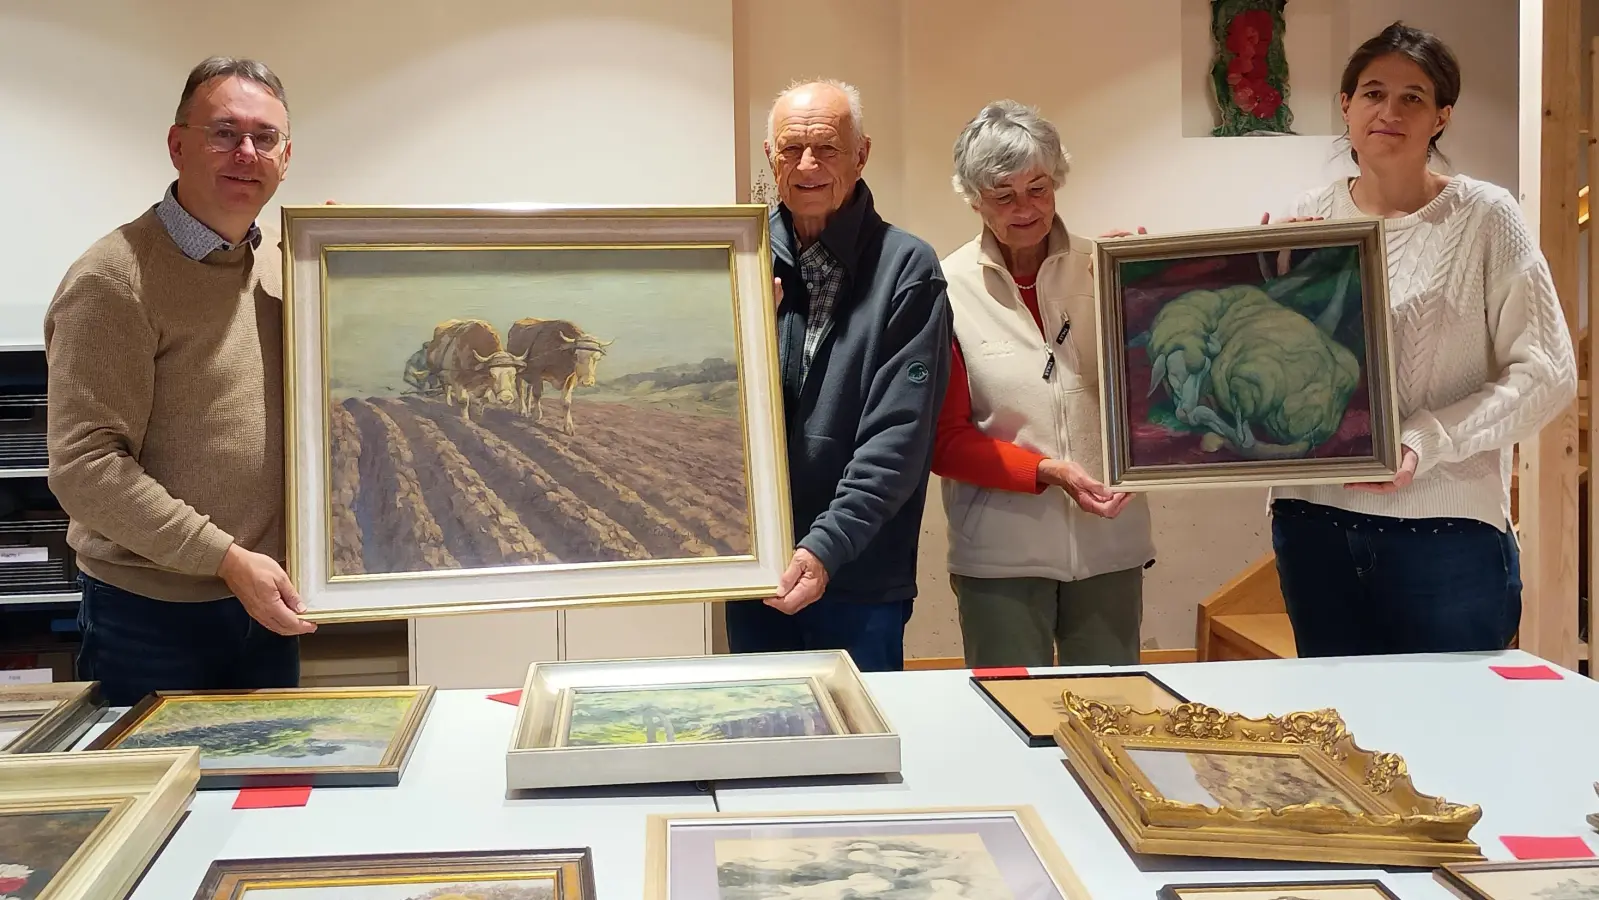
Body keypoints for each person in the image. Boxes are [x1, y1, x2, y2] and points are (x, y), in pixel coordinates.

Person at [1263, 22, 1577, 657]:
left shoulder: (1487, 217)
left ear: (1442, 117)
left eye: (1414, 97)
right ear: (1345, 107)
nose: (1390, 111)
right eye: (1373, 92)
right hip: (1312, 523)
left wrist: (1425, 439)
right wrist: (1218, 278)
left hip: (1445, 531)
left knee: (1456, 736)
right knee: (1342, 736)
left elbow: (1547, 372)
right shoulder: (1305, 217)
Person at [45, 56, 316, 707]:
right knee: (165, 807)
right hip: (149, 619)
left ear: (285, 157)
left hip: (265, 604)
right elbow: (84, 468)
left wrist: (342, 259)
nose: (245, 153)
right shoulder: (115, 280)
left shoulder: (287, 268)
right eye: (224, 132)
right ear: (178, 145)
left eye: (264, 138)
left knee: (265, 798)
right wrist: (225, 558)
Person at [723, 79, 953, 672]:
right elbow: (708, 419)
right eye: (790, 149)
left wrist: (825, 547)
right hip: (757, 572)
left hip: (858, 574)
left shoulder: (908, 268)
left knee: (858, 749)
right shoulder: (735, 263)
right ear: (770, 157)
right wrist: (744, 335)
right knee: (758, 745)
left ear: (861, 154)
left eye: (825, 148)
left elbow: (898, 436)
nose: (807, 166)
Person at [933, 101, 1156, 668]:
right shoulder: (945, 286)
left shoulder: (1105, 266)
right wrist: (1047, 472)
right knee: (1009, 717)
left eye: (1038, 188)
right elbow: (946, 440)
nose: (1025, 208)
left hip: (1112, 540)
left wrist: (1151, 289)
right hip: (1001, 554)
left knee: (1112, 712)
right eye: (1003, 195)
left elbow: (1160, 394)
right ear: (973, 197)